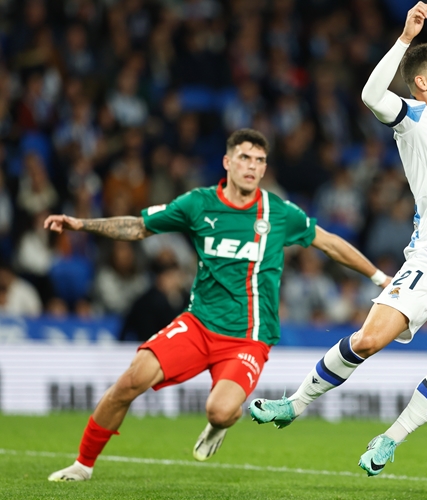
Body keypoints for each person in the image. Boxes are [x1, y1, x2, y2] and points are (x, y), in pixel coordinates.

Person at [248, 1, 427, 477]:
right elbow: (370, 94)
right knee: (369, 340)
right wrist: (405, 39)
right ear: (422, 83)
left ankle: (391, 438)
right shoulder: (411, 118)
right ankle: (296, 403)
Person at [44, 128, 391, 481]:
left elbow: (329, 243)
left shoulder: (278, 212)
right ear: (227, 162)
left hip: (248, 337)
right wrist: (80, 224)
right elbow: (138, 227)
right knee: (129, 381)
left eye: (259, 161)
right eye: (244, 158)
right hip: (198, 325)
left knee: (219, 411)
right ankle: (82, 465)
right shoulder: (198, 204)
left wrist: (380, 278)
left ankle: (220, 425)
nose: (252, 167)